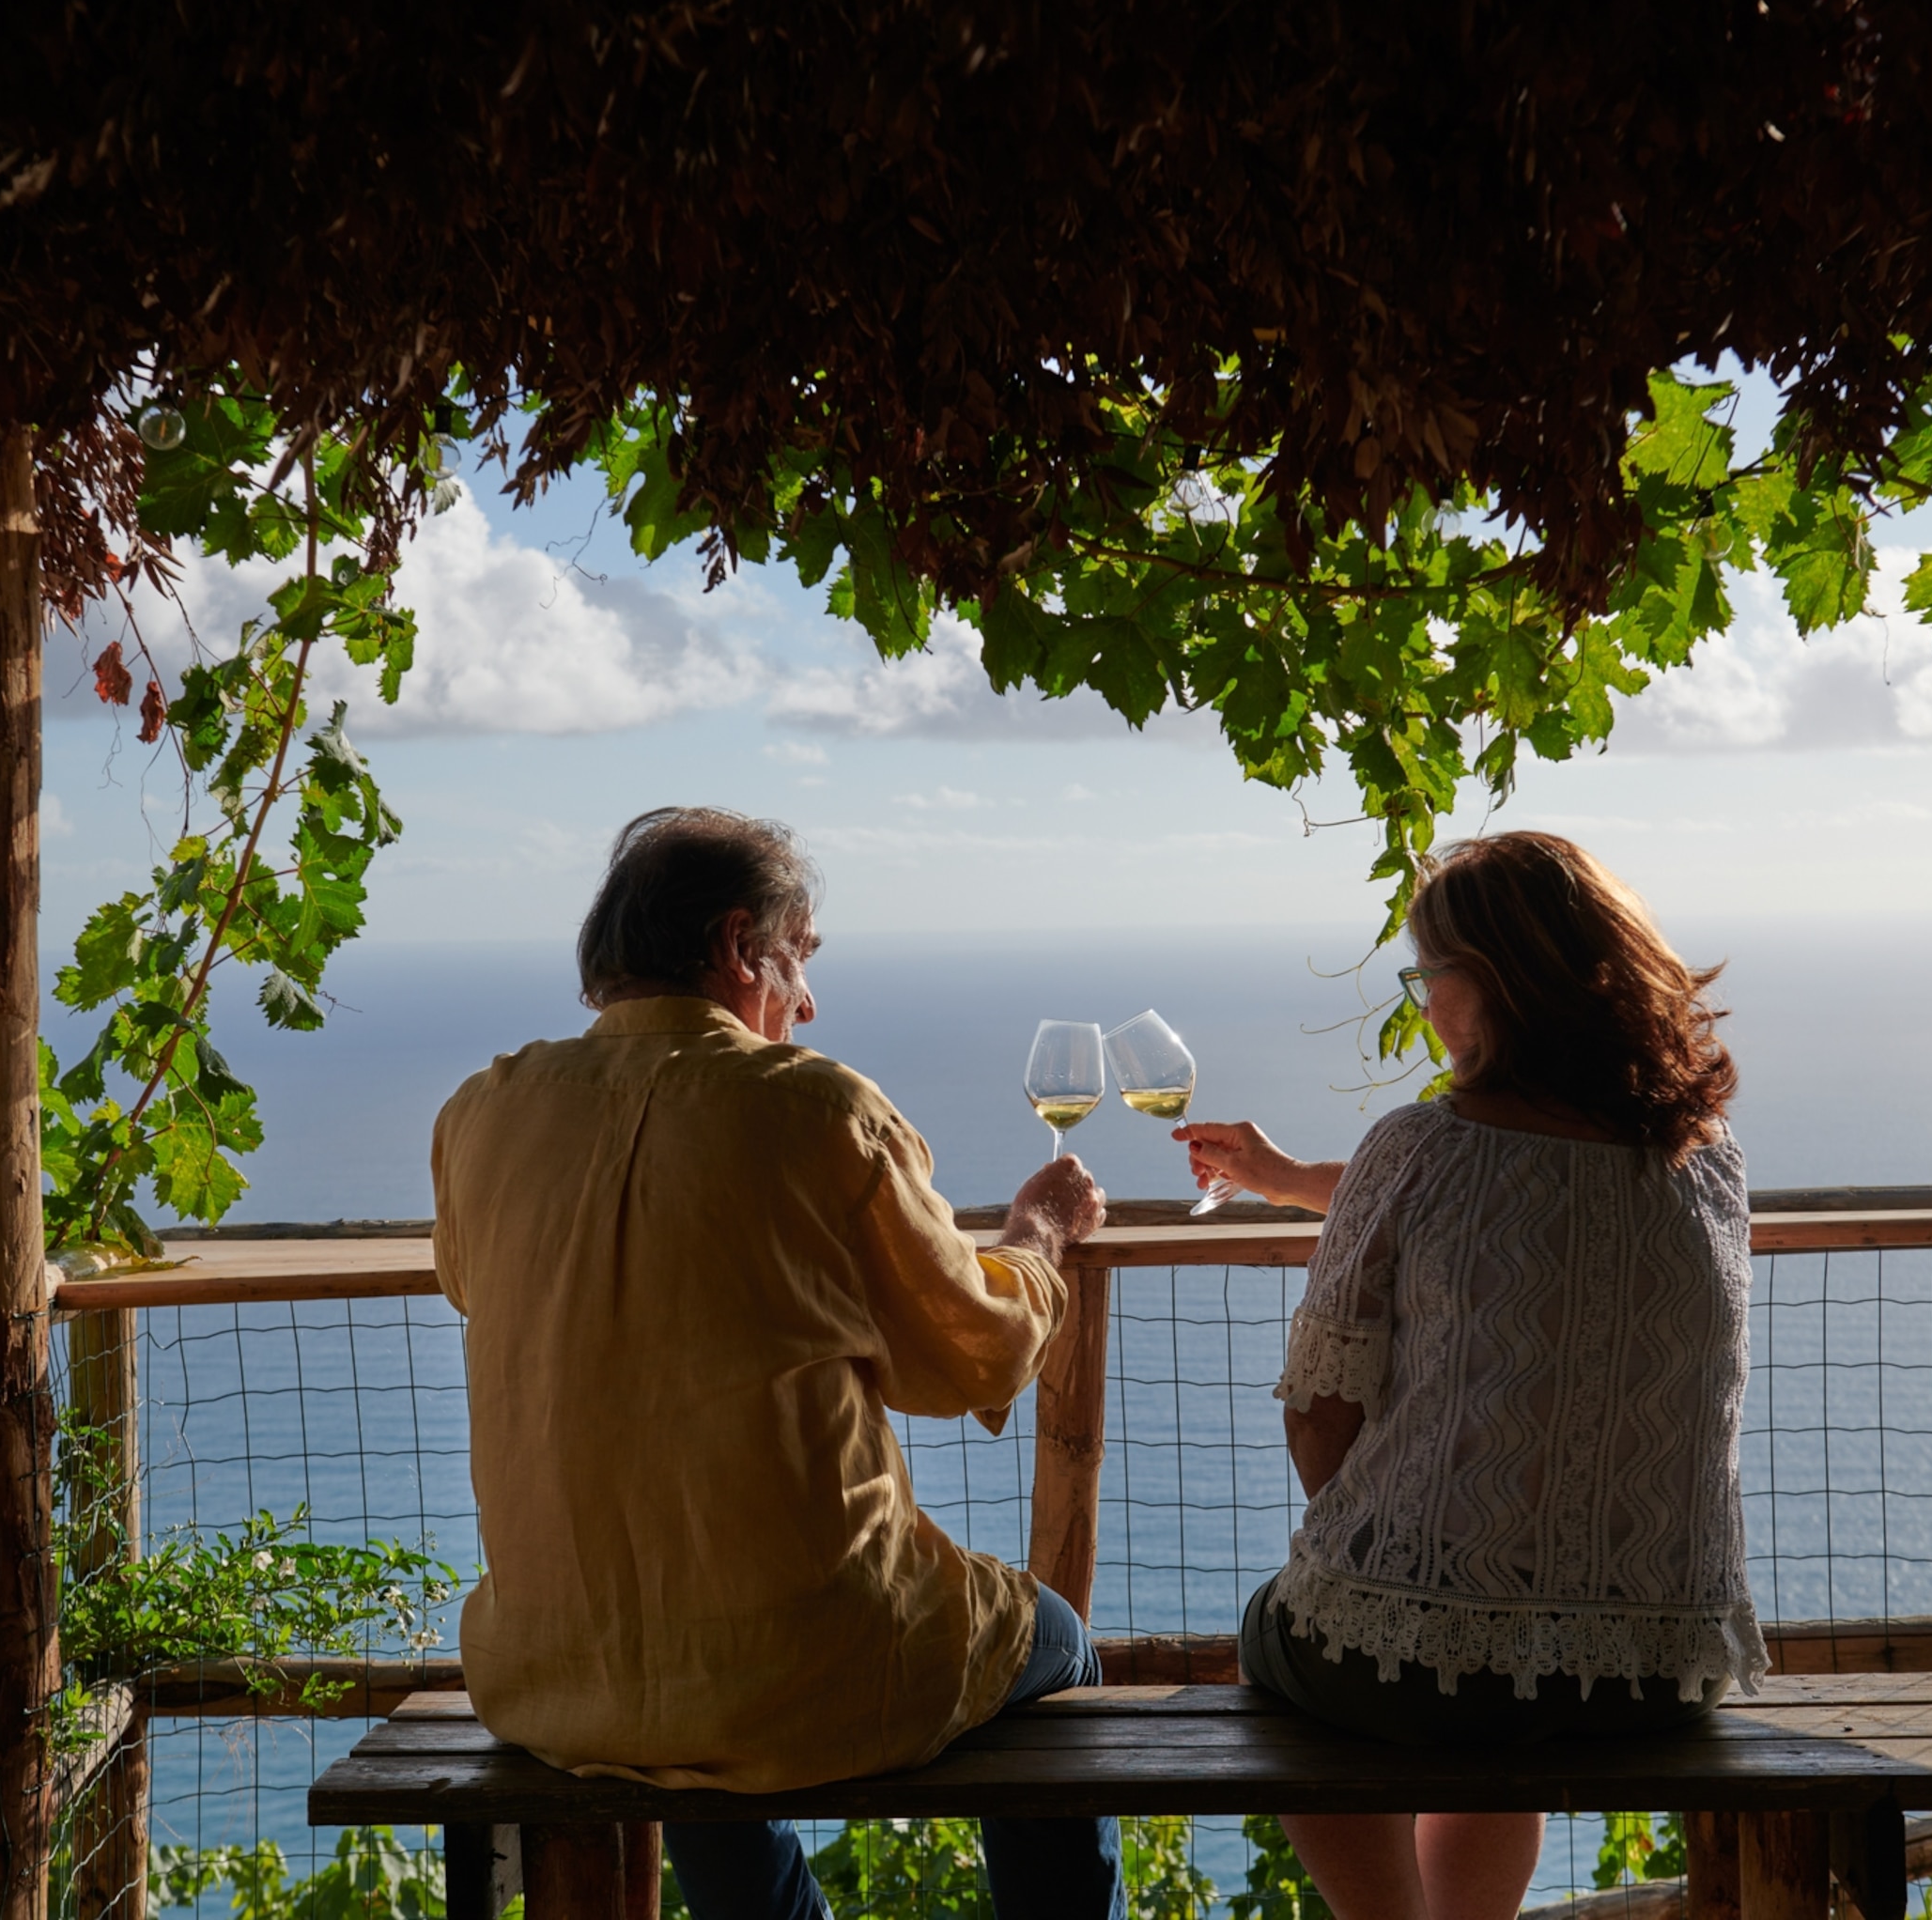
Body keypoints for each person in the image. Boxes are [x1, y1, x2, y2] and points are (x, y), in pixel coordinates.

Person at [432, 807, 1125, 1920]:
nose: (806, 1002)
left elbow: (491, 1292)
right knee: (1062, 1644)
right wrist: (1037, 1239)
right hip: (812, 1665)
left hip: (553, 1672)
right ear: (738, 943)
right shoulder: (818, 1110)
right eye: (801, 961)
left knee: (711, 1708)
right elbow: (976, 1357)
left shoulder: (481, 1114)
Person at [1174, 831, 1766, 1920]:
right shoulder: (1711, 1161)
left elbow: (1320, 1419)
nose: (1425, 1005)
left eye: (1426, 977)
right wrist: (1280, 1172)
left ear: (1488, 985)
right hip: (1662, 1670)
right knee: (1508, 1646)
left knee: (1290, 1644)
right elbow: (1528, 1200)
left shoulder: (1421, 1148)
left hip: (1422, 1678)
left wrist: (1418, 1547)